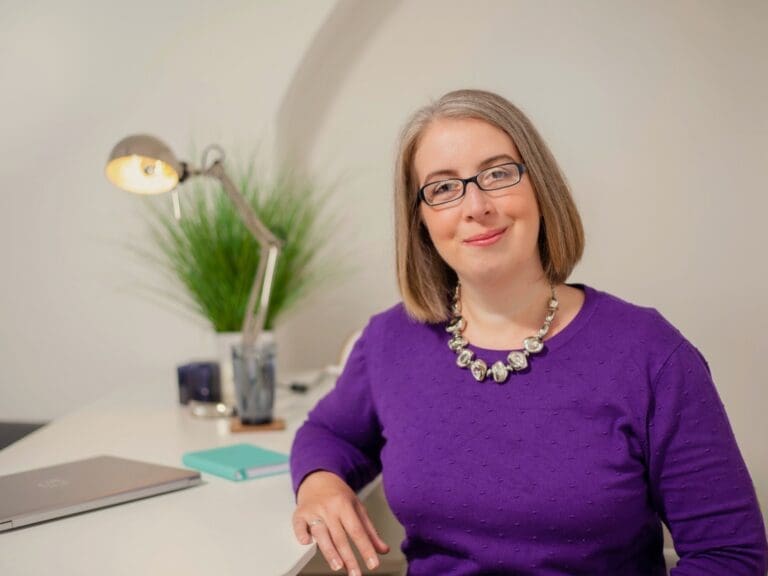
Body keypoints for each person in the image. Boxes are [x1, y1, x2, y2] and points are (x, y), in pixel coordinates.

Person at [289, 89, 768, 575]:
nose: (475, 206)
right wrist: (320, 483)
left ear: (540, 187)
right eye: (442, 188)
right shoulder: (391, 340)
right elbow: (329, 432)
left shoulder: (650, 354)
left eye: (497, 174)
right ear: (421, 221)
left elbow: (730, 557)